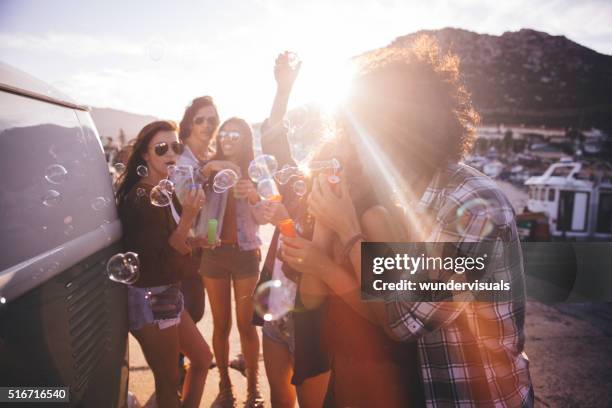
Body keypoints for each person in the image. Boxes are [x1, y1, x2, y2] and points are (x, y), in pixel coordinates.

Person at [280, 37, 534, 407]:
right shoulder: (413, 197)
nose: (351, 145)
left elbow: (402, 319)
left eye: (358, 134)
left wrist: (349, 230)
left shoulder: (472, 208)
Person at [116, 120, 213, 408]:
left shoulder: (163, 189)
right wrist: (188, 217)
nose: (171, 152)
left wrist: (196, 241)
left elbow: (171, 242)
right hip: (151, 296)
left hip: (167, 292)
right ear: (145, 155)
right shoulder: (142, 197)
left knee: (202, 358)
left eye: (176, 146)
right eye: (161, 148)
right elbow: (157, 256)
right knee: (168, 383)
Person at [198, 117, 268, 408]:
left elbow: (266, 216)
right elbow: (188, 194)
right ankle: (225, 386)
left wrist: (253, 196)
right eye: (224, 133)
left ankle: (253, 389)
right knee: (221, 325)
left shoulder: (255, 173)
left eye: (236, 134)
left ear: (245, 140)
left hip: (245, 254)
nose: (228, 138)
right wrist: (210, 169)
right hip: (214, 254)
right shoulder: (209, 170)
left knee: (246, 325)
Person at [176, 96, 240, 380]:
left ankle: (182, 363)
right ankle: (174, 373)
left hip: (203, 249)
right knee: (185, 310)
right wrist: (205, 171)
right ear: (189, 124)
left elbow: (214, 207)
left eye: (212, 120)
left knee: (195, 310)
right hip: (180, 250)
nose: (206, 125)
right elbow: (181, 198)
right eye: (200, 119)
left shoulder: (212, 158)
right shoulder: (180, 159)